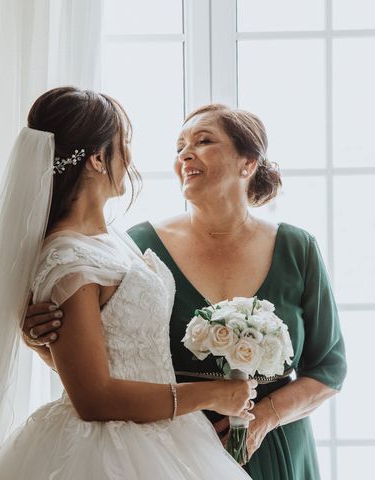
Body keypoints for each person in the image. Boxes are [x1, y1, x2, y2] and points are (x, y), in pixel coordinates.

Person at [0, 88, 256, 479]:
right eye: (123, 144)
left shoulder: (112, 239)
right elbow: (93, 398)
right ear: (96, 158)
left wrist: (46, 348)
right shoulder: (67, 257)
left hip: (162, 435)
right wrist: (212, 394)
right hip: (106, 451)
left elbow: (105, 350)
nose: (130, 157)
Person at [24, 103, 347, 479]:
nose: (185, 154)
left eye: (203, 141)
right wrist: (44, 340)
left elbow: (329, 367)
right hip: (168, 446)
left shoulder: (298, 249)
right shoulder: (139, 246)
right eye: (179, 147)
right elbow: (107, 358)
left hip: (279, 444)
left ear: (248, 163)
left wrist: (260, 420)